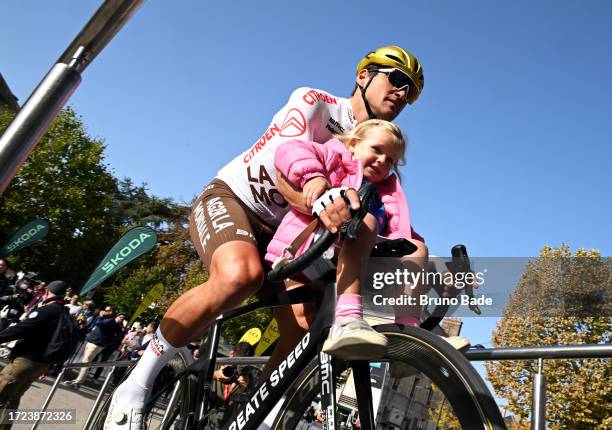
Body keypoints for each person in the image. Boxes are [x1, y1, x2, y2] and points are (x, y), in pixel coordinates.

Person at [105, 45, 430, 429]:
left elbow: (387, 218)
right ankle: (135, 385)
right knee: (239, 276)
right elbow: (283, 166)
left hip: (285, 234)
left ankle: (253, 414)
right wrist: (319, 190)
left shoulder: (376, 153)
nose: (402, 93)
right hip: (236, 201)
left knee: (305, 326)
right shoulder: (315, 103)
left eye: (410, 91)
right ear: (363, 76)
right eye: (397, 79)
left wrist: (418, 266)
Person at [266, 119, 412, 359]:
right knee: (366, 221)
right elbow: (288, 149)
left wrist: (438, 270)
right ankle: (348, 320)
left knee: (417, 248)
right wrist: (313, 177)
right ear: (354, 145)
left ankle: (409, 332)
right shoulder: (335, 158)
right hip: (311, 250)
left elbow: (402, 234)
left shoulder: (388, 196)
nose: (382, 161)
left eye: (390, 161)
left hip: (348, 263)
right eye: (377, 150)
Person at [0, 280, 68, 428]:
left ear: (48, 292)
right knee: (12, 398)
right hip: (40, 364)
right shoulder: (64, 313)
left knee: (2, 394)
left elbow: (20, 329)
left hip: (25, 361)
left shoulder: (47, 311)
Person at [64, 306, 124, 389]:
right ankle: (77, 380)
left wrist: (100, 316)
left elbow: (99, 323)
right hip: (93, 342)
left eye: (106, 310)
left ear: (111, 312)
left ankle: (78, 382)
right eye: (104, 309)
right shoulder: (107, 319)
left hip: (96, 344)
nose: (103, 311)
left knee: (86, 363)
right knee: (85, 362)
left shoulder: (110, 320)